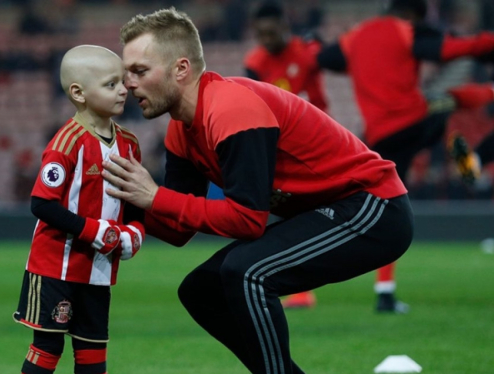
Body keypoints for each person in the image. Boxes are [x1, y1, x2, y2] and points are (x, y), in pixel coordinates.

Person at [103, 8, 413, 374]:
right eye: (126, 75)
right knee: (201, 290)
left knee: (246, 271)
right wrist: (108, 204)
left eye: (139, 71)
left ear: (181, 69)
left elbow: (247, 220)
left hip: (374, 208)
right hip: (328, 210)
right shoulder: (181, 130)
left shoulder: (230, 109)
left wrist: (154, 196)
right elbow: (177, 228)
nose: (128, 85)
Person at [244, 2, 406, 312]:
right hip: (282, 149)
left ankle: (382, 285)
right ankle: (297, 288)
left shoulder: (307, 50)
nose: (266, 39)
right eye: (260, 34)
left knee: (368, 199)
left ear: (284, 27)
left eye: (271, 32)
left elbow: (342, 61)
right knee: (288, 213)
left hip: (320, 145)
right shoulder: (254, 62)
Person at [12, 45, 145, 374]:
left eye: (122, 82)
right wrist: (96, 231)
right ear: (79, 93)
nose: (123, 90)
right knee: (48, 345)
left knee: (93, 349)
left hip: (98, 268)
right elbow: (41, 204)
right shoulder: (66, 143)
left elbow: (135, 200)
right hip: (56, 266)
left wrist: (135, 232)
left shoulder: (129, 143)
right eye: (111, 84)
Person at [316, 0, 494, 188]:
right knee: (447, 99)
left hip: (380, 137)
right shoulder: (405, 30)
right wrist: (486, 43)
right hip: (413, 123)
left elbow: (325, 58)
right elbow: (448, 50)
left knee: (393, 188)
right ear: (411, 15)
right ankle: (490, 92)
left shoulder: (355, 36)